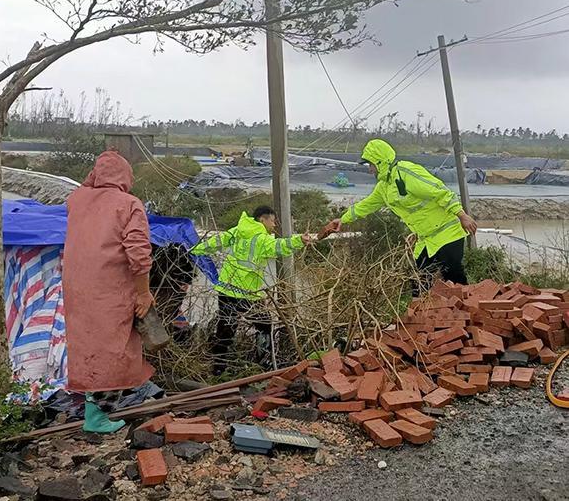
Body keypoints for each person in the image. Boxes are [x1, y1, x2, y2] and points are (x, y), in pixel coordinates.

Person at [63, 150, 155, 433]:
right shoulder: (129, 204)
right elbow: (139, 254)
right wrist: (143, 293)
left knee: (89, 346)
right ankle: (97, 418)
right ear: (125, 176)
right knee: (112, 349)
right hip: (111, 289)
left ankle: (94, 412)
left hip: (77, 288)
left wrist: (93, 178)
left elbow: (85, 186)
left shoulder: (76, 201)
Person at [319, 139, 477, 292]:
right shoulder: (384, 187)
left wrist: (462, 215)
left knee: (454, 279)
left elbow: (439, 191)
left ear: (380, 162)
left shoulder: (406, 172)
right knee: (419, 283)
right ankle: (423, 316)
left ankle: (471, 312)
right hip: (427, 240)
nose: (370, 169)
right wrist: (342, 219)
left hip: (447, 234)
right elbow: (365, 206)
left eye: (371, 165)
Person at [191, 206, 312, 374]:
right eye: (272, 220)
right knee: (265, 326)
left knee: (226, 328)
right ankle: (264, 363)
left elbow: (216, 242)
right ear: (262, 219)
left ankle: (218, 368)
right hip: (247, 294)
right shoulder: (261, 239)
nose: (274, 225)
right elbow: (280, 246)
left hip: (226, 290)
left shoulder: (237, 230)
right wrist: (299, 240)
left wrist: (192, 250)